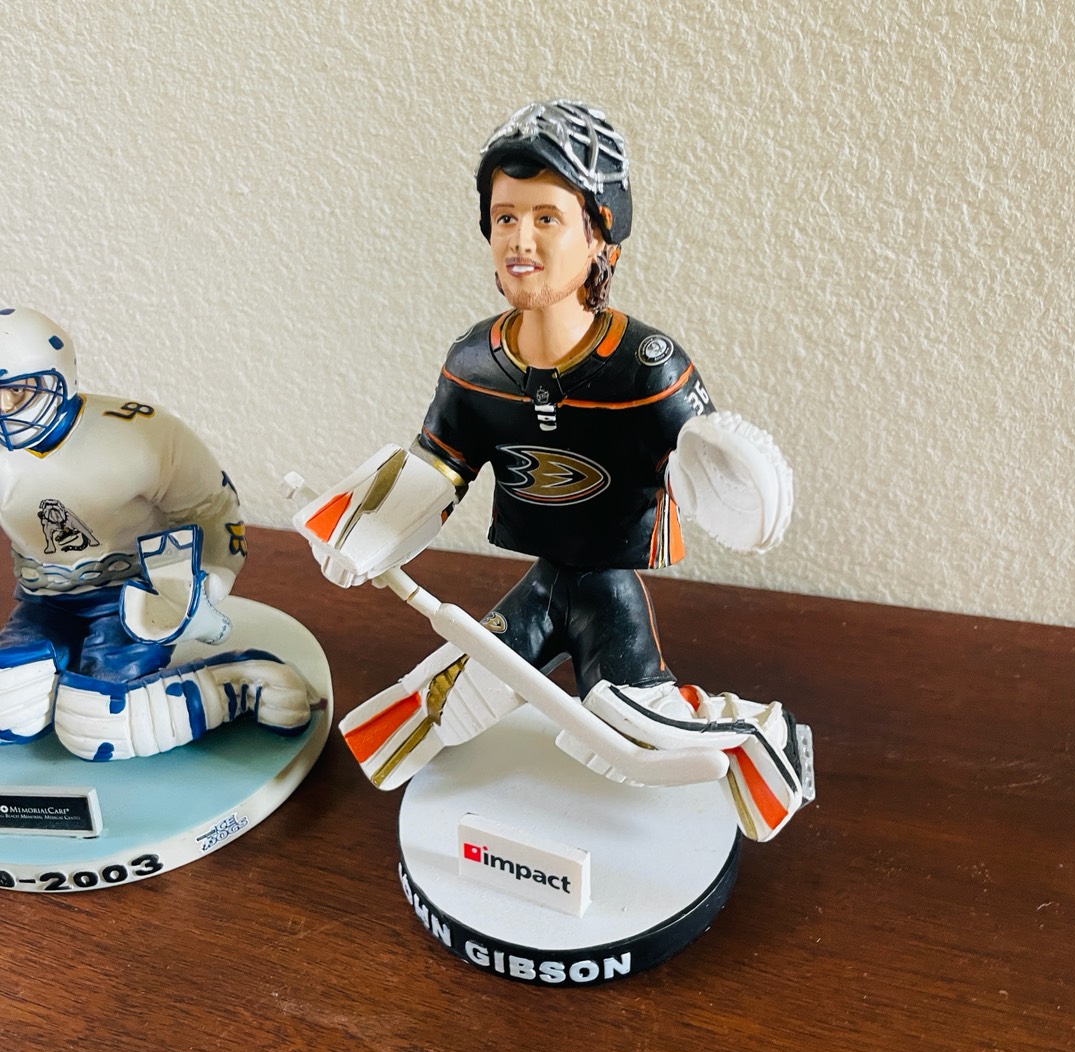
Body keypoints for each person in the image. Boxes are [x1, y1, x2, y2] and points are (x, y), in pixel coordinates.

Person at [297, 101, 813, 840]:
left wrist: (729, 478)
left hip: (606, 586)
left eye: (546, 217)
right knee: (449, 697)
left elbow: (709, 465)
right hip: (544, 582)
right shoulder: (474, 363)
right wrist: (363, 532)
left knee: (631, 723)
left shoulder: (647, 369)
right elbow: (437, 467)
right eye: (505, 217)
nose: (520, 239)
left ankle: (764, 736)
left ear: (601, 236)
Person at [0, 305, 311, 760]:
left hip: (131, 595)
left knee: (98, 725)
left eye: (15, 391)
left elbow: (209, 505)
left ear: (59, 378)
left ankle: (234, 684)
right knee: (7, 709)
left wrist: (212, 575)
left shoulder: (141, 434)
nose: (4, 411)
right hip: (43, 596)